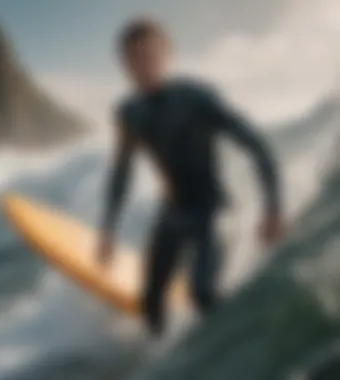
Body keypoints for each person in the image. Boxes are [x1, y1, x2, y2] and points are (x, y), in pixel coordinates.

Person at [98, 18, 285, 336]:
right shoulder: (129, 112)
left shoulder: (197, 98)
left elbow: (255, 145)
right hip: (173, 213)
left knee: (202, 294)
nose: (143, 66)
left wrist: (273, 208)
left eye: (149, 55)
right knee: (150, 306)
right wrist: (109, 229)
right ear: (124, 65)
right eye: (133, 59)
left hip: (213, 210)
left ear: (166, 53)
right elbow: (122, 172)